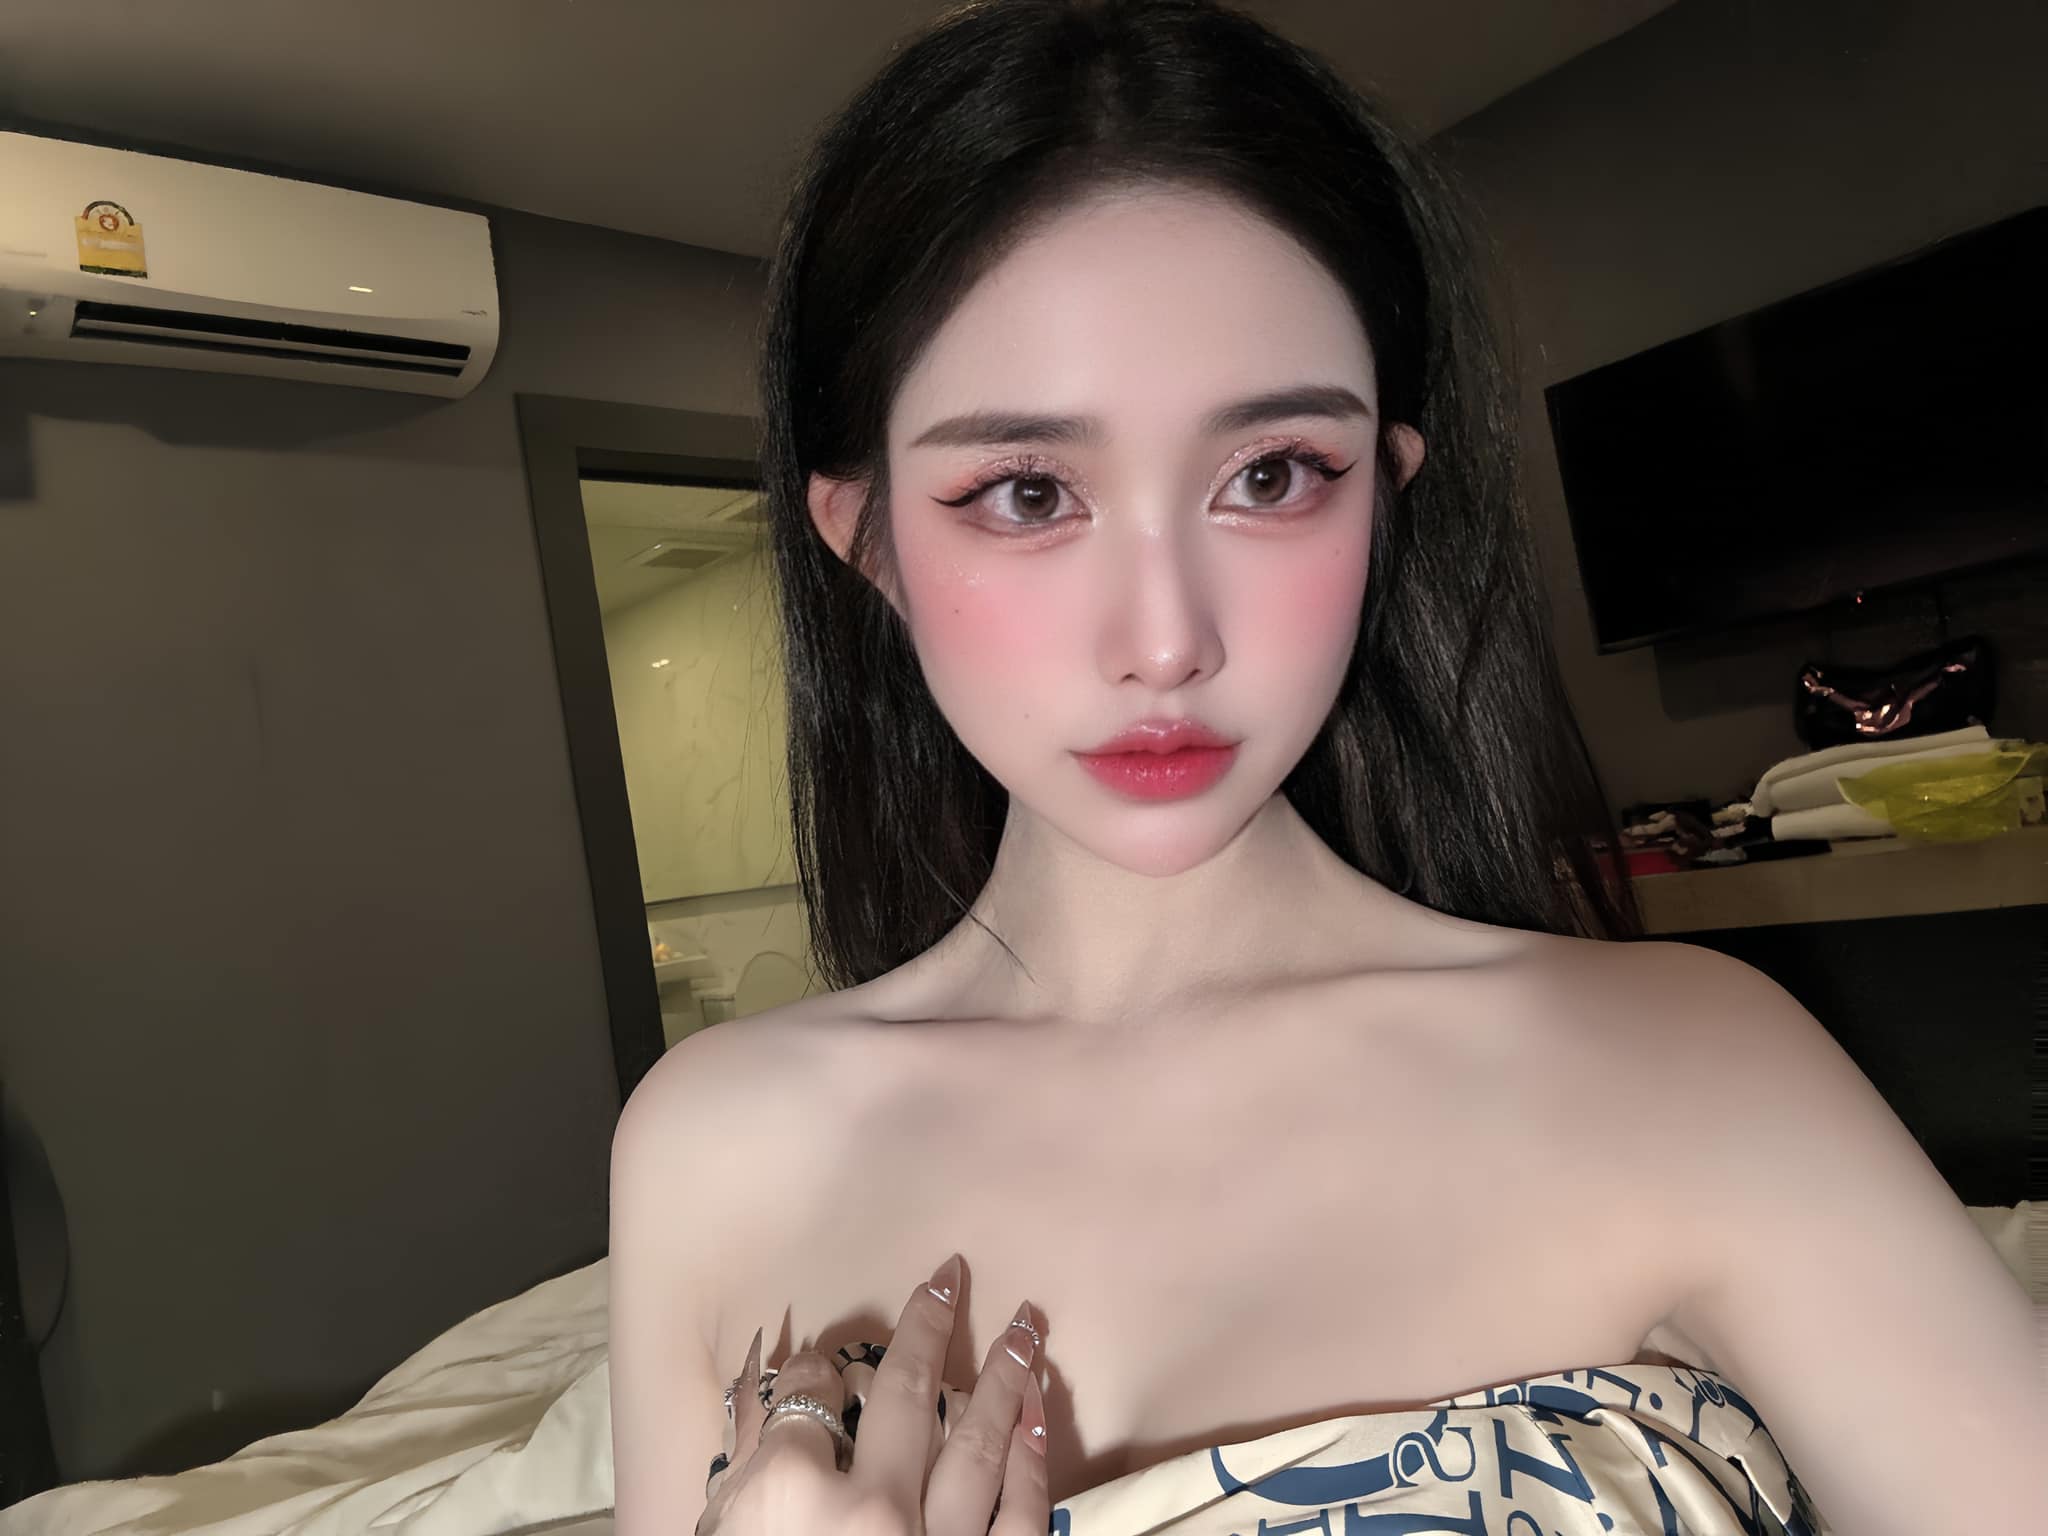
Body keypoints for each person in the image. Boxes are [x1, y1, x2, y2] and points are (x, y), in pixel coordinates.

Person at [608, 2, 2044, 1533]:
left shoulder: (1694, 1067)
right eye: (1028, 493)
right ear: (869, 539)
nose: (1167, 641)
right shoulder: (716, 1146)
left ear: (1383, 500)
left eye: (1273, 475)